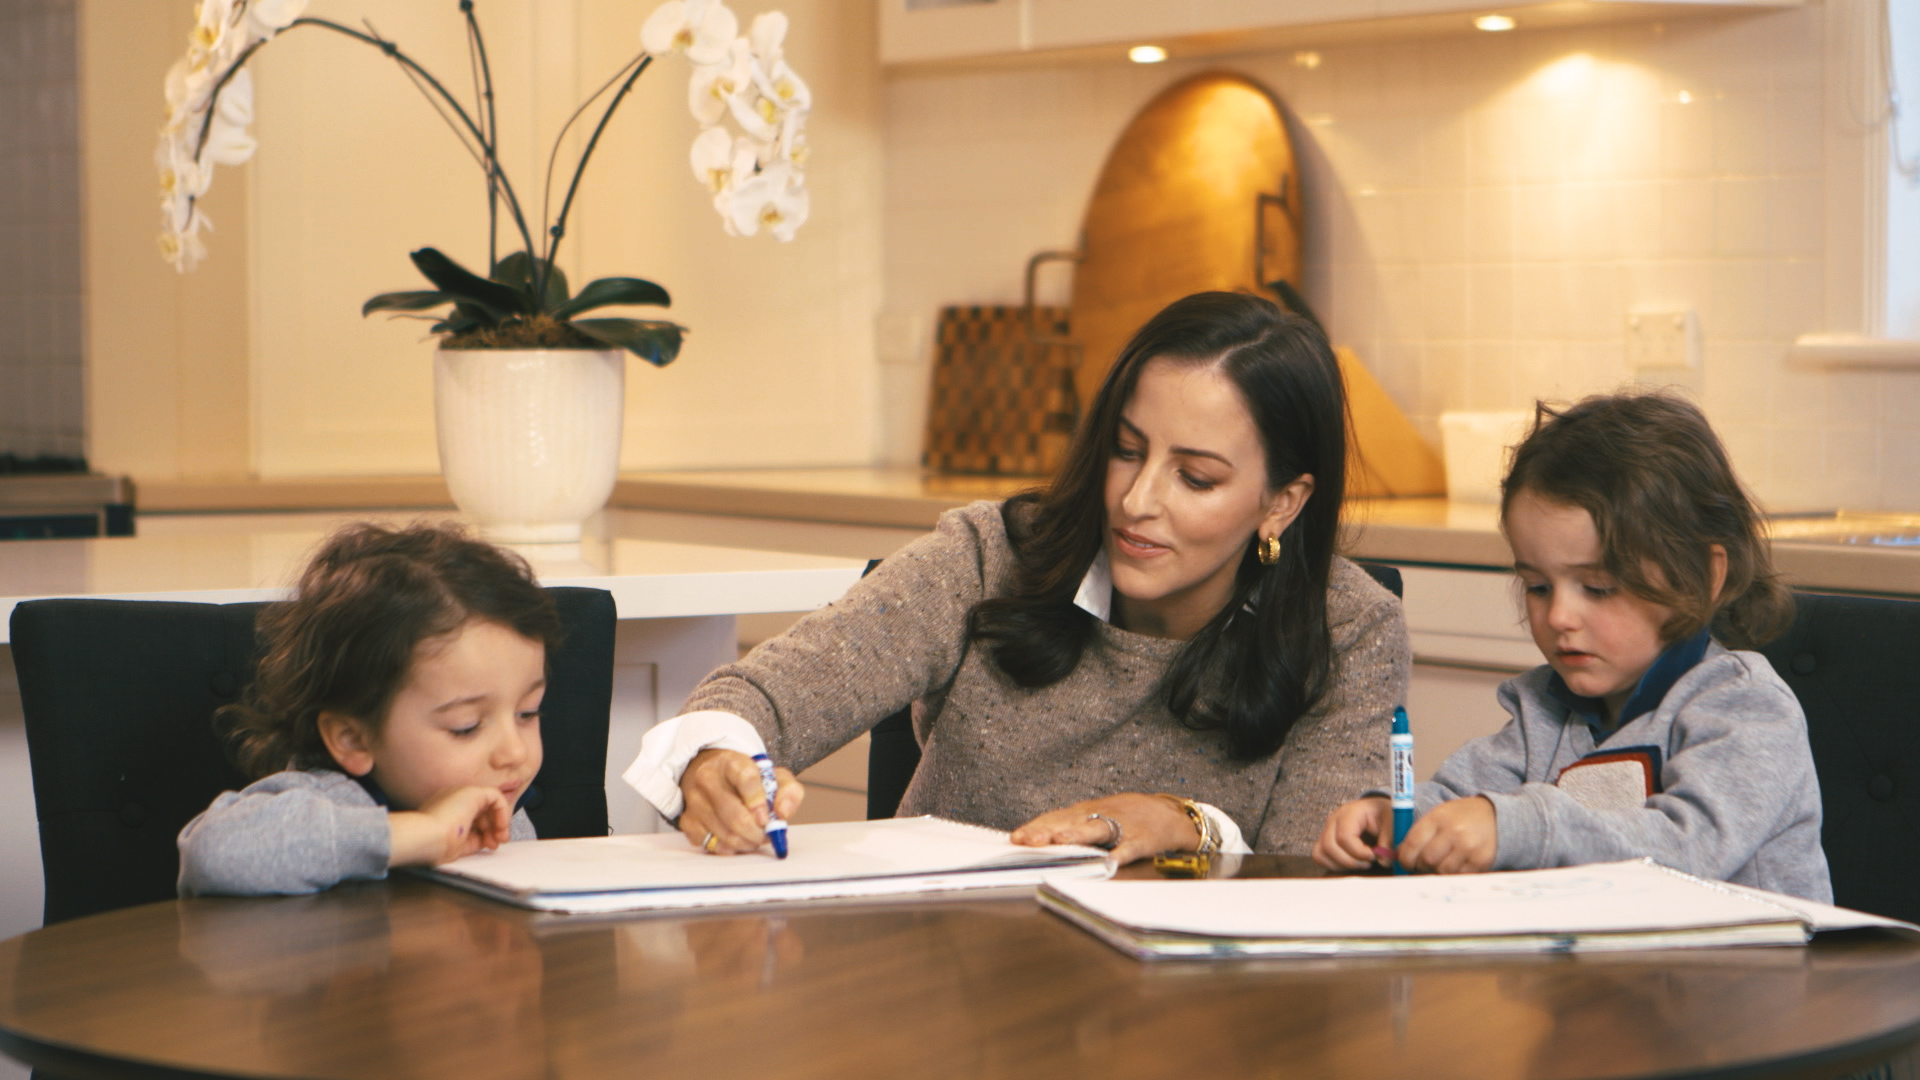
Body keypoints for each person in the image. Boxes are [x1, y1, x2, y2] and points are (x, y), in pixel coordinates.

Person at [627, 291, 1411, 863]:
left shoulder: (1350, 630)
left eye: (1195, 478)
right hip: (946, 994)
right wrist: (716, 759)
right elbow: (754, 697)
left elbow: (1310, 881)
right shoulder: (985, 556)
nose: (1136, 502)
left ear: (1282, 502)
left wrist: (1188, 825)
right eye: (1128, 450)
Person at [1313, 392, 1831, 901]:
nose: (1558, 617)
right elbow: (1462, 799)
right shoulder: (1545, 708)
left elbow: (1687, 849)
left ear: (1702, 576)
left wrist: (1522, 826)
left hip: (1755, 980)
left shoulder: (1747, 708)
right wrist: (1395, 815)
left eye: (1600, 588)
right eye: (1537, 587)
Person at [177, 522, 561, 896]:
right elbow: (213, 855)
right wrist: (428, 831)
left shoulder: (503, 805)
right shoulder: (331, 801)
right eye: (467, 726)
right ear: (353, 738)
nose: (515, 752)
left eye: (527, 713)